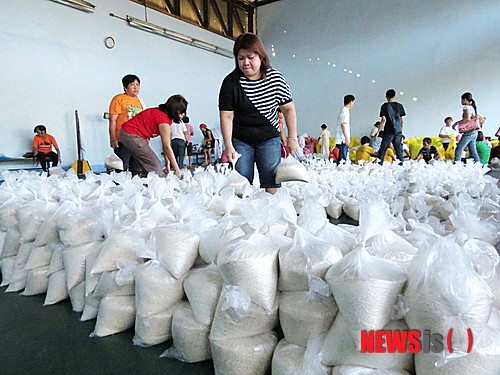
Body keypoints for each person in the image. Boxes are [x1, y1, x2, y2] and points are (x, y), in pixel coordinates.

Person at [218, 32, 299, 194]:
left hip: (268, 138)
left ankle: (270, 214)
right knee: (240, 180)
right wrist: (228, 145)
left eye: (250, 57)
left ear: (261, 57)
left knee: (271, 178)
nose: (246, 63)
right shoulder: (231, 83)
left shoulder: (275, 79)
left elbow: (288, 109)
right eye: (241, 58)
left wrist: (292, 138)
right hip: (241, 139)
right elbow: (226, 116)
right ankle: (242, 213)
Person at [120, 94, 187, 179]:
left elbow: (166, 145)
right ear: (175, 111)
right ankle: (158, 187)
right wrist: (177, 169)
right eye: (181, 112)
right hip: (132, 135)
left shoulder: (160, 113)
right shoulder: (164, 121)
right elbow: (166, 146)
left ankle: (143, 185)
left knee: (146, 165)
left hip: (129, 134)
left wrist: (168, 164)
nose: (183, 115)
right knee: (155, 166)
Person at [108, 74, 144, 174]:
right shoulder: (118, 99)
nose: (135, 87)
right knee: (120, 167)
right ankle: (119, 188)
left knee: (136, 168)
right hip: (122, 139)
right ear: (125, 87)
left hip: (137, 140)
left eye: (137, 84)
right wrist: (113, 138)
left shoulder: (139, 101)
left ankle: (134, 187)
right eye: (132, 84)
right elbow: (113, 121)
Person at [378, 89, 406, 165]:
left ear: (386, 97)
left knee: (383, 148)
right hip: (398, 130)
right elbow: (402, 120)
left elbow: (383, 120)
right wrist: (400, 128)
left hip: (388, 130)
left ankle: (380, 163)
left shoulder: (384, 106)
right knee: (398, 148)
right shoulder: (400, 106)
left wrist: (378, 131)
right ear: (395, 96)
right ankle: (401, 164)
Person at [453, 92, 481, 163]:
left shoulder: (466, 107)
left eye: (462, 100)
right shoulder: (472, 107)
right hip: (474, 131)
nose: (461, 102)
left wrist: (456, 123)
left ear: (465, 99)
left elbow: (467, 118)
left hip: (469, 132)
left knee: (459, 148)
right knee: (473, 151)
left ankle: (457, 165)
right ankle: (479, 165)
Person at [335, 94, 355, 163]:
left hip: (342, 139)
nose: (353, 104)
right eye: (353, 102)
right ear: (350, 102)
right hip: (342, 139)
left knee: (341, 159)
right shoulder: (345, 111)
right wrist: (346, 138)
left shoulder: (344, 110)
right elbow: (343, 125)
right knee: (342, 159)